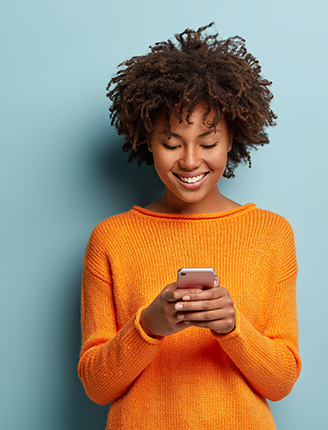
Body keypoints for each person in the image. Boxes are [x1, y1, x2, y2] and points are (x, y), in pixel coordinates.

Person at [78, 23, 302, 429]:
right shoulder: (111, 238)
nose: (190, 160)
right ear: (147, 140)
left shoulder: (271, 234)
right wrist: (147, 327)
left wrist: (234, 329)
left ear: (233, 138)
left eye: (209, 142)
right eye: (171, 142)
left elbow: (281, 380)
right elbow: (97, 387)